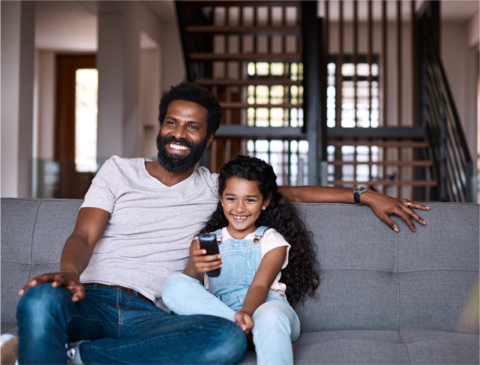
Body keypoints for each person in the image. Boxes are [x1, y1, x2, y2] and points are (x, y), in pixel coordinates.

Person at [11, 82, 429, 365]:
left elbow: (289, 193)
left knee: (226, 340)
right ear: (161, 127)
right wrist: (68, 273)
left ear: (207, 139)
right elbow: (84, 234)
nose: (179, 132)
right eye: (172, 122)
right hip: (94, 298)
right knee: (39, 300)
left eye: (192, 127)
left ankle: (76, 355)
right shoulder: (118, 171)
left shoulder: (217, 188)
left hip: (157, 313)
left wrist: (365, 194)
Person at [162, 155, 320, 364]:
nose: (239, 208)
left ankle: (238, 327)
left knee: (270, 314)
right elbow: (189, 286)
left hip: (267, 310)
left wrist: (246, 313)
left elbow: (260, 286)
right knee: (174, 284)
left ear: (265, 202)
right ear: (221, 198)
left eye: (250, 199)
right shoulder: (204, 242)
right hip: (222, 315)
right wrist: (195, 265)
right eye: (231, 198)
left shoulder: (271, 239)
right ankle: (236, 328)